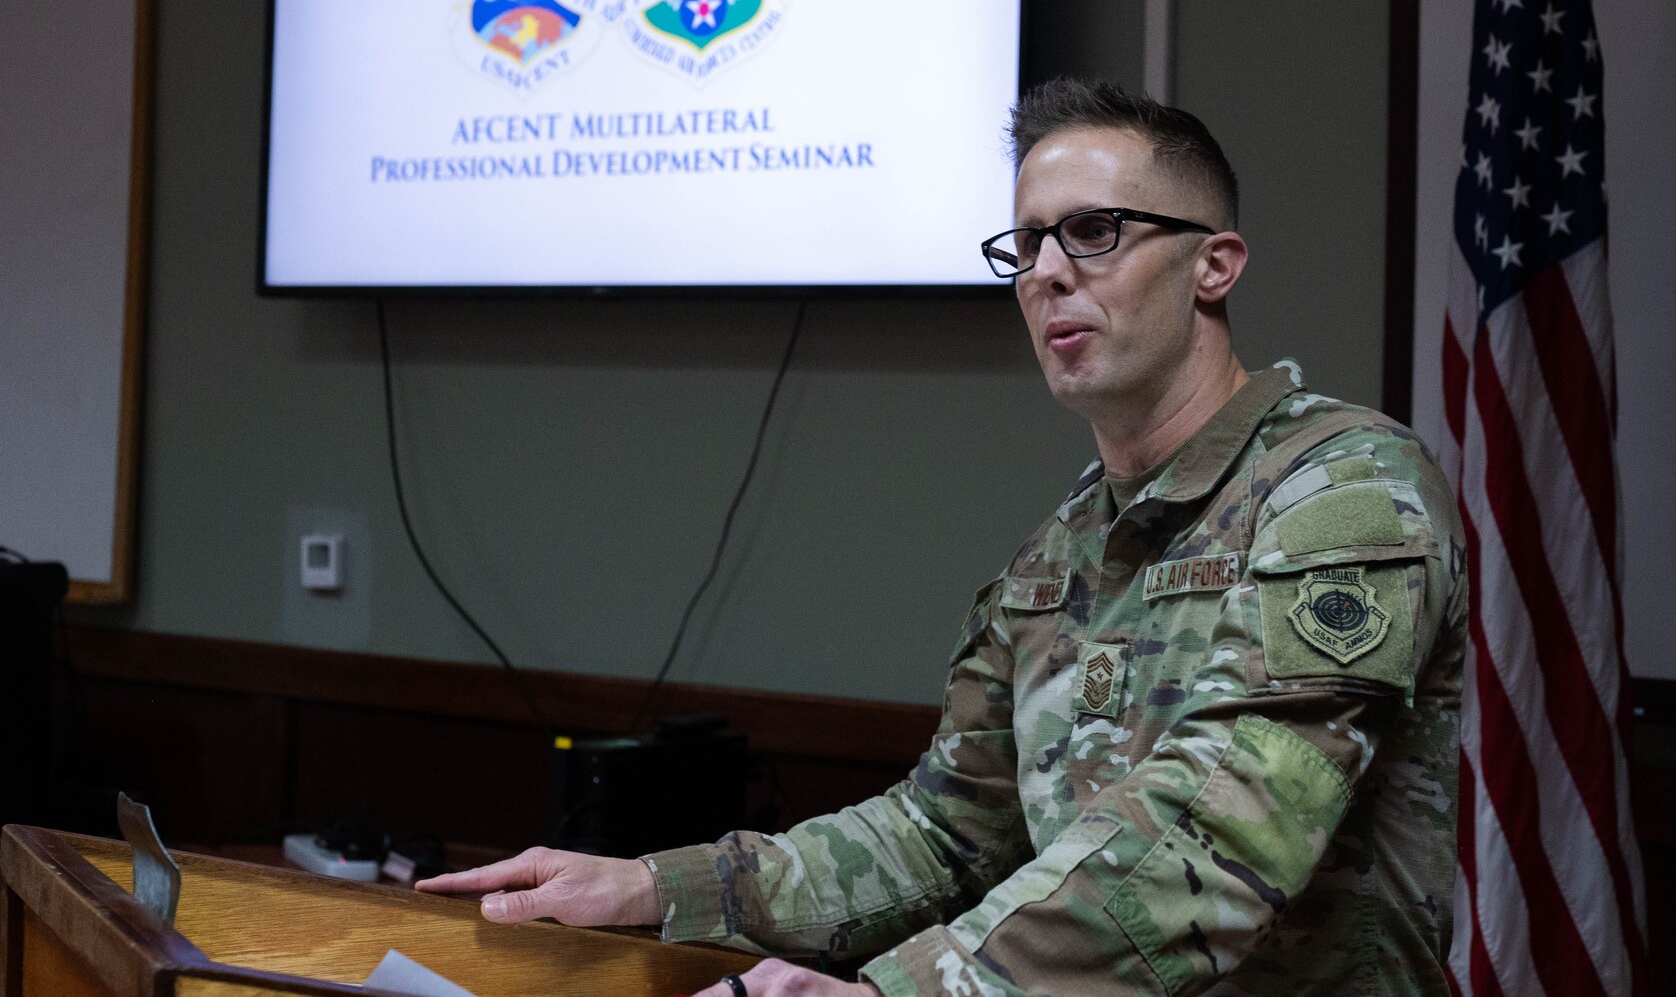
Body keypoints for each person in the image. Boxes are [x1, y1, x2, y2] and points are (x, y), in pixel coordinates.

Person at [419, 78, 1468, 996]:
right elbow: (941, 833)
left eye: (1093, 231)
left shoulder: (1346, 486)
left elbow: (1224, 817)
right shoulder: (1062, 547)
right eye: (1027, 243)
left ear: (1214, 265)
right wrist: (661, 884)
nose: (1046, 271)